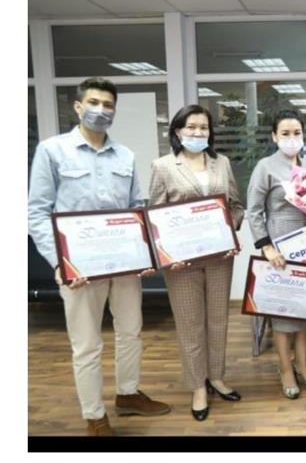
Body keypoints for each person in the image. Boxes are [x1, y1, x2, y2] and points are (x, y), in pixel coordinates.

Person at [28, 77, 171, 436]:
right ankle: (94, 416)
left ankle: (128, 394)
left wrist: (143, 254)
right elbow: (37, 212)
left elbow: (136, 207)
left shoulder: (125, 155)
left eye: (108, 105)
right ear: (78, 107)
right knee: (87, 344)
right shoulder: (52, 150)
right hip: (78, 266)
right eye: (94, 103)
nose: (101, 110)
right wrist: (59, 262)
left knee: (131, 331)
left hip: (123, 263)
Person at [149, 104, 245, 422]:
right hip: (182, 263)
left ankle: (216, 377)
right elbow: (155, 215)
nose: (197, 132)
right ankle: (198, 387)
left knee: (218, 320)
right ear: (178, 131)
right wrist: (167, 254)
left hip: (219, 257)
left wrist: (230, 230)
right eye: (191, 127)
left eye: (203, 127)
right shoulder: (163, 166)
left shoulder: (222, 163)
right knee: (190, 324)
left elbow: (236, 205)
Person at [247, 109, 306, 399]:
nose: (292, 138)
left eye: (297, 133)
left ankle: (303, 365)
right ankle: (285, 369)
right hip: (278, 244)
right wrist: (266, 246)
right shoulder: (265, 166)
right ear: (274, 136)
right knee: (283, 311)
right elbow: (254, 210)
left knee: (305, 309)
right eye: (286, 133)